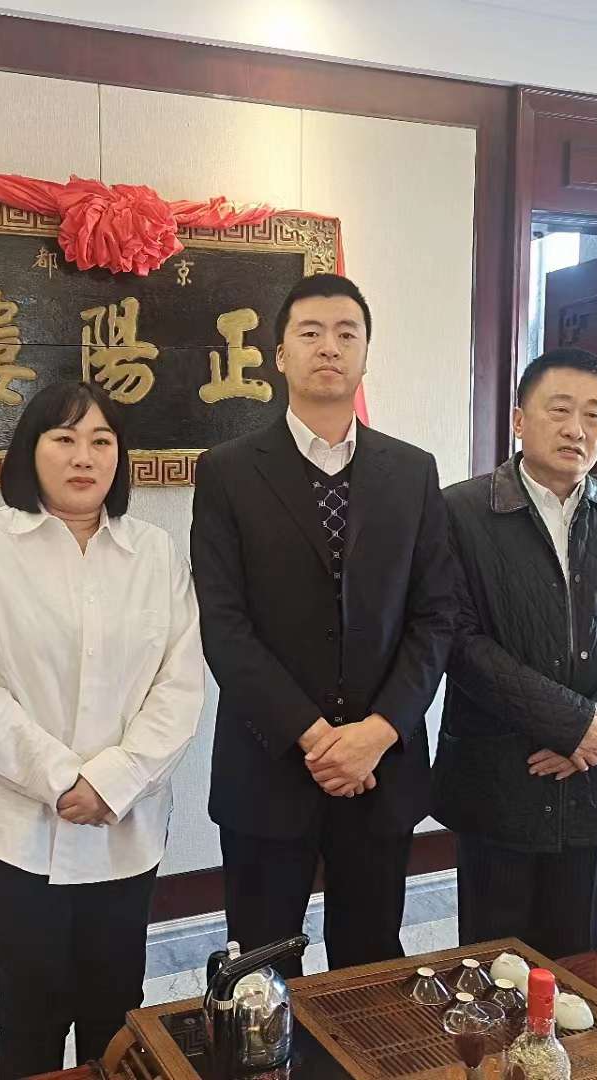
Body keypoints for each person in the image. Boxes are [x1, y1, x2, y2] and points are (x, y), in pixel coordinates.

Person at [0, 381, 203, 1078]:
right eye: (65, 439)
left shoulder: (156, 553)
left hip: (125, 820)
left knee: (117, 1009)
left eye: (102, 441)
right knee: (31, 1007)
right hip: (15, 826)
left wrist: (111, 781)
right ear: (31, 450)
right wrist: (60, 779)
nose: (85, 457)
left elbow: (180, 686)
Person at [190, 273, 458, 976]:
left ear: (366, 354)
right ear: (279, 355)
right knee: (260, 971)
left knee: (371, 965)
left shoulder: (412, 471)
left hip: (381, 769)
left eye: (347, 333)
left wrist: (378, 732)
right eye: (310, 333)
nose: (329, 347)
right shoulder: (227, 473)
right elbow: (224, 627)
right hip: (268, 765)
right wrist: (315, 738)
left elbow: (436, 616)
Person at [432, 347, 597, 959]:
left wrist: (596, 733)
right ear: (519, 420)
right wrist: (569, 722)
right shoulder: (459, 511)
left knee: (574, 965)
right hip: (499, 776)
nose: (577, 428)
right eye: (560, 410)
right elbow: (456, 640)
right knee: (492, 967)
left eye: (595, 415)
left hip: (595, 774)